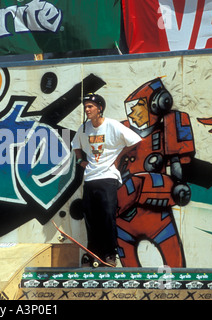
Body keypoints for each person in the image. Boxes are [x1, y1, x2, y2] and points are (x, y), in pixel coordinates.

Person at [71, 93, 141, 267]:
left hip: (108, 178)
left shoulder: (112, 125)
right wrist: (81, 162)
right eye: (85, 107)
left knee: (107, 216)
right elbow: (75, 146)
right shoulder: (84, 128)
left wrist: (119, 158)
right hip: (90, 178)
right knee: (91, 218)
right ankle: (93, 253)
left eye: (90, 107)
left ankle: (110, 253)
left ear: (99, 109)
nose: (87, 110)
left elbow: (136, 141)